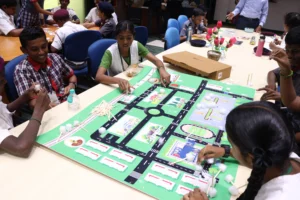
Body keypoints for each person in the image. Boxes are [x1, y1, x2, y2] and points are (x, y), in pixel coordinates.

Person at [189, 101, 300, 200]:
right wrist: (226, 151)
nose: (231, 147)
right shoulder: (285, 154)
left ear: (250, 157)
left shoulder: (281, 196)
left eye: (232, 144)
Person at [95, 20, 171, 93]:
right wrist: (118, 80)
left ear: (133, 37)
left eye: (129, 38)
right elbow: (99, 76)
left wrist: (162, 69)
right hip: (116, 87)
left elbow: (156, 60)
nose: (125, 42)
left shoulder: (136, 45)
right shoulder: (110, 52)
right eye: (121, 38)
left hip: (134, 83)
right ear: (116, 37)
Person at [14, 26, 77, 109]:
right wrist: (47, 107)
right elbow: (32, 102)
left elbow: (72, 75)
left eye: (44, 47)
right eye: (34, 49)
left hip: (66, 102)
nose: (41, 52)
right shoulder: (21, 70)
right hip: (45, 110)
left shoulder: (55, 58)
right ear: (24, 50)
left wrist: (71, 84)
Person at [0, 85, 50, 158]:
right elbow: (21, 148)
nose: (5, 82)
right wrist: (39, 110)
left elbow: (4, 110)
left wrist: (25, 97)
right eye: (1, 81)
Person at [269, 26, 300, 143]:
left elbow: (292, 102)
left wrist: (285, 140)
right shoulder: (295, 64)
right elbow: (273, 73)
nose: (290, 55)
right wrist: (272, 85)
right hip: (286, 120)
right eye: (288, 50)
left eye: (295, 51)